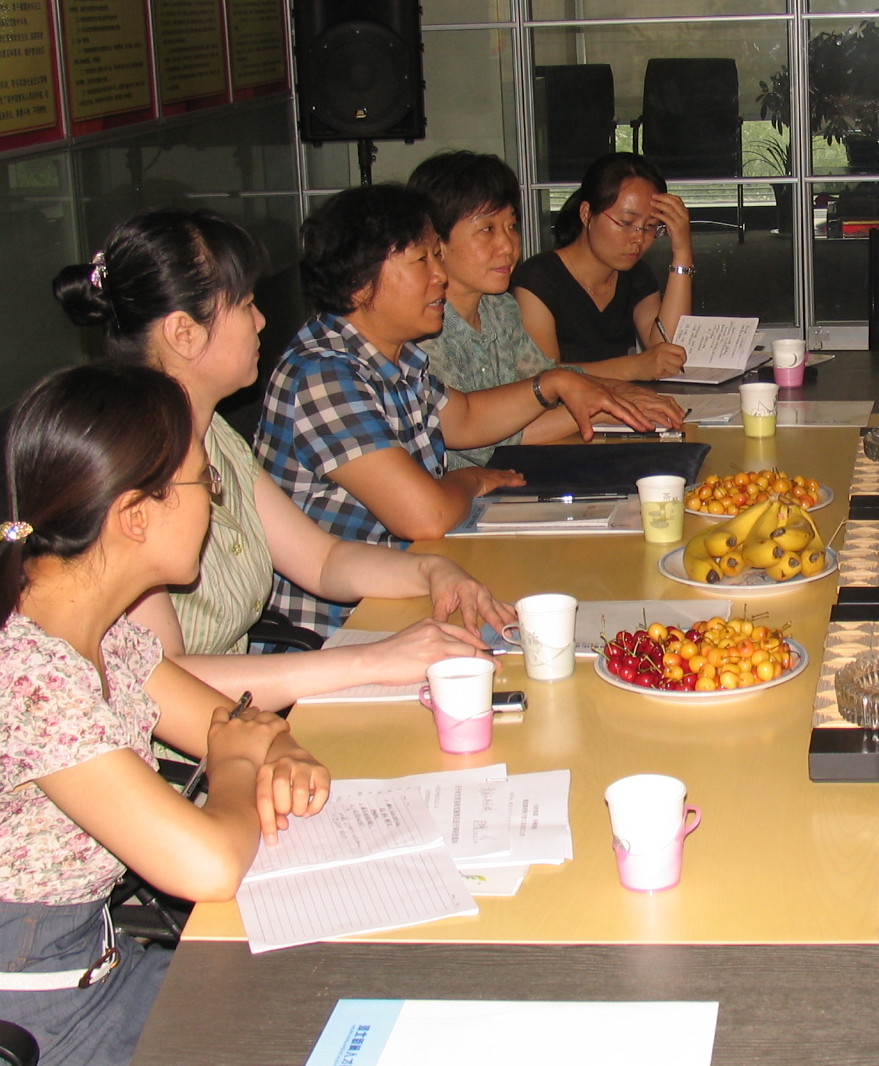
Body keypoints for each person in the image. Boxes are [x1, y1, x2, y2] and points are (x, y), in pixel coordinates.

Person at [0, 363, 333, 1066]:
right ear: (135, 516)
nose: (214, 502)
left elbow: (230, 720)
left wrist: (277, 750)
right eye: (205, 483)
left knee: (321, 1023)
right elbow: (208, 862)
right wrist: (236, 763)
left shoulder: (95, 629)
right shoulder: (29, 674)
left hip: (84, 981)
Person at [54, 209, 507, 703]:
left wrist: (432, 571)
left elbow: (323, 560)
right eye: (246, 305)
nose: (261, 321)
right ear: (184, 333)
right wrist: (373, 660)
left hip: (241, 713)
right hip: (201, 733)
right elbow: (161, 686)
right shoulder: (129, 468)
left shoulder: (215, 436)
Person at [257, 183, 683, 630]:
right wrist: (471, 479)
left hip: (414, 581)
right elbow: (426, 516)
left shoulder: (393, 356)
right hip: (346, 624)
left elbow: (464, 419)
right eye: (422, 261)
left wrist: (553, 383)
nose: (439, 276)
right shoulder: (324, 375)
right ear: (361, 284)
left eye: (437, 258)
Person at [415, 150, 686, 468]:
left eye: (511, 226)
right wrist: (605, 406)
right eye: (487, 229)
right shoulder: (421, 328)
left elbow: (543, 377)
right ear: (435, 241)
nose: (508, 246)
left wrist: (616, 391)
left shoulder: (498, 308)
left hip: (515, 475)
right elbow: (484, 441)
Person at [512, 151, 695, 370]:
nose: (638, 238)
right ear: (586, 214)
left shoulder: (636, 274)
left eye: (650, 227)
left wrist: (682, 253)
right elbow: (544, 379)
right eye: (626, 223)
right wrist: (634, 367)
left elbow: (668, 351)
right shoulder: (538, 279)